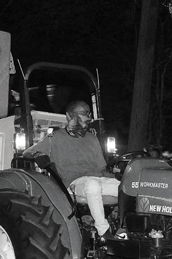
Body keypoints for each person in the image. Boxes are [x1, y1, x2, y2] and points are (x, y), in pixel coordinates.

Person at [24, 100, 118, 241]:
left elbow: (101, 169)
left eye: (87, 113)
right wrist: (37, 154)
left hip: (97, 179)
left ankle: (128, 230)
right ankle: (104, 232)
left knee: (129, 186)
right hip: (74, 183)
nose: (86, 117)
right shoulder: (55, 138)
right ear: (69, 117)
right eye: (81, 114)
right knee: (92, 185)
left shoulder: (92, 139)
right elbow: (27, 152)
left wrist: (119, 177)